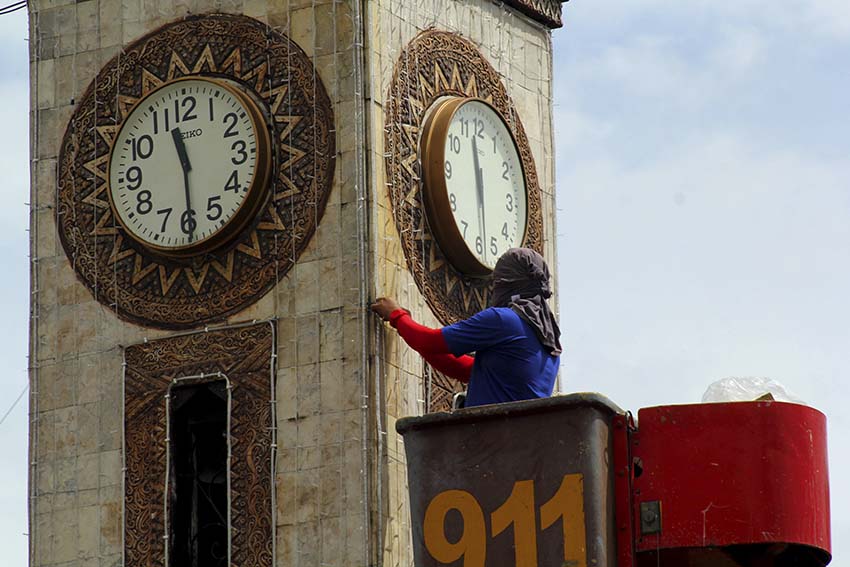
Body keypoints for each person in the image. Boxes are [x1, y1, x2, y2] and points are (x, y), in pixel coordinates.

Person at [371, 247, 561, 407]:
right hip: (522, 443)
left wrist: (397, 315)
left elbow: (431, 341)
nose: (495, 288)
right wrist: (412, 333)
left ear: (508, 282)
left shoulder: (504, 321)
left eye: (498, 281)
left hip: (489, 438)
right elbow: (466, 369)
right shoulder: (549, 345)